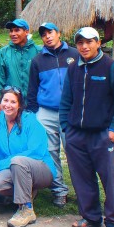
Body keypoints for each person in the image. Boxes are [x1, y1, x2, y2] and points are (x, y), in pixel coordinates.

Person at [59, 27, 114, 227]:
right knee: (82, 179)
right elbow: (66, 101)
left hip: (103, 135)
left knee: (110, 179)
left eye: (89, 42)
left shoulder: (111, 67)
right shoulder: (73, 69)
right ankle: (90, 217)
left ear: (98, 43)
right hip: (76, 136)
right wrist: (66, 128)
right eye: (80, 43)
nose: (84, 46)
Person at [26, 22, 79, 208]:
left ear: (59, 33)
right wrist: (32, 113)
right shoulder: (38, 60)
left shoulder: (74, 54)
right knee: (49, 152)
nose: (47, 36)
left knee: (74, 151)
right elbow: (32, 89)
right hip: (46, 111)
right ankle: (59, 191)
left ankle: (83, 191)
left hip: (71, 111)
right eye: (44, 34)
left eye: (50, 32)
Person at [0, 87, 55, 227]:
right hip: (15, 168)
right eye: (5, 100)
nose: (8, 105)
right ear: (0, 103)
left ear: (19, 105)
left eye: (13, 102)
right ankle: (28, 191)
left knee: (18, 161)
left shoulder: (31, 121)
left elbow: (36, 152)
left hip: (41, 168)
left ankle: (26, 210)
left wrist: (4, 163)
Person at [0, 18, 40, 114]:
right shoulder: (3, 53)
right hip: (11, 105)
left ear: (26, 32)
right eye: (11, 31)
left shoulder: (38, 52)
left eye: (17, 30)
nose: (13, 34)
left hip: (35, 105)